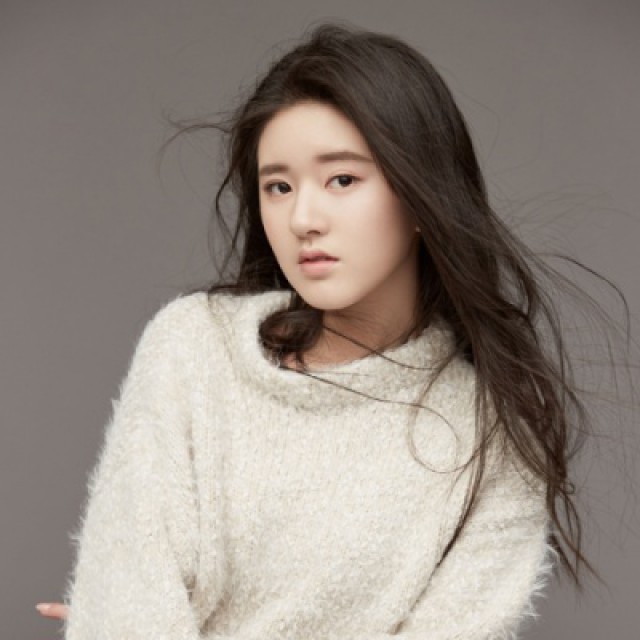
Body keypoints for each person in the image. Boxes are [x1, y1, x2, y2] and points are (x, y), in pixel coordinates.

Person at [37, 21, 625, 639]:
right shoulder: (193, 347)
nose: (303, 218)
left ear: (422, 193)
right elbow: (126, 615)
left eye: (342, 180)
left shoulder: (492, 436)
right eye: (278, 186)